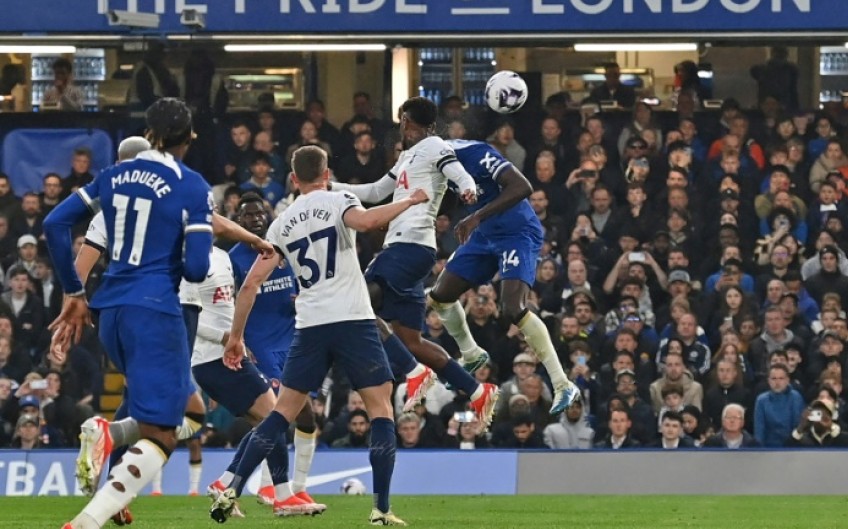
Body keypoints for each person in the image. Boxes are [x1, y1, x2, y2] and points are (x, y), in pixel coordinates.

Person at [210, 145, 426, 526]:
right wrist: (408, 201)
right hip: (353, 320)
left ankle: (231, 486)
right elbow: (366, 222)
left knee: (280, 414)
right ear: (327, 173)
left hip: (310, 326)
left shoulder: (281, 222)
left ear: (293, 179)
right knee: (381, 409)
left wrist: (235, 337)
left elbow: (251, 285)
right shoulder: (338, 199)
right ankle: (381, 508)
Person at [68, 136, 277, 523]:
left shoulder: (106, 210)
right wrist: (252, 239)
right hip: (165, 308)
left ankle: (112, 483)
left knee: (142, 399)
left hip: (116, 313)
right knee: (185, 414)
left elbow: (78, 268)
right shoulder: (172, 192)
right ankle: (110, 448)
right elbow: (209, 229)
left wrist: (75, 303)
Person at [44, 98, 213, 529]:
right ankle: (86, 521)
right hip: (155, 311)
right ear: (189, 137)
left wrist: (73, 291)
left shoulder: (113, 176)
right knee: (163, 432)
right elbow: (196, 267)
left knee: (192, 410)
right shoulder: (191, 185)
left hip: (111, 313)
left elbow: (55, 225)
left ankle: (111, 434)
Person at [331, 96, 499, 427]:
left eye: (402, 120)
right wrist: (330, 187)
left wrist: (467, 189)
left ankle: (414, 372)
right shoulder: (408, 156)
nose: (401, 126)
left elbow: (458, 172)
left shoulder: (435, 146)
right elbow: (377, 190)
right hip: (410, 250)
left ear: (408, 121)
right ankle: (478, 391)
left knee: (358, 302)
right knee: (411, 341)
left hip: (408, 248)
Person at [428, 138, 580, 415]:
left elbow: (522, 186)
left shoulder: (474, 153)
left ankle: (562, 383)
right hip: (485, 234)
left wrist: (476, 217)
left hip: (517, 232)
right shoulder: (432, 165)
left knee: (513, 308)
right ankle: (471, 353)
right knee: (441, 295)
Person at [226, 191, 323, 506]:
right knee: (277, 415)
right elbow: (228, 305)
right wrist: (239, 340)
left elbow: (298, 291)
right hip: (260, 347)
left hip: (294, 342)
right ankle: (265, 486)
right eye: (247, 215)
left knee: (307, 417)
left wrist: (300, 303)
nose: (255, 219)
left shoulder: (283, 249)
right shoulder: (233, 259)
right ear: (238, 220)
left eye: (259, 214)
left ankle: (299, 485)